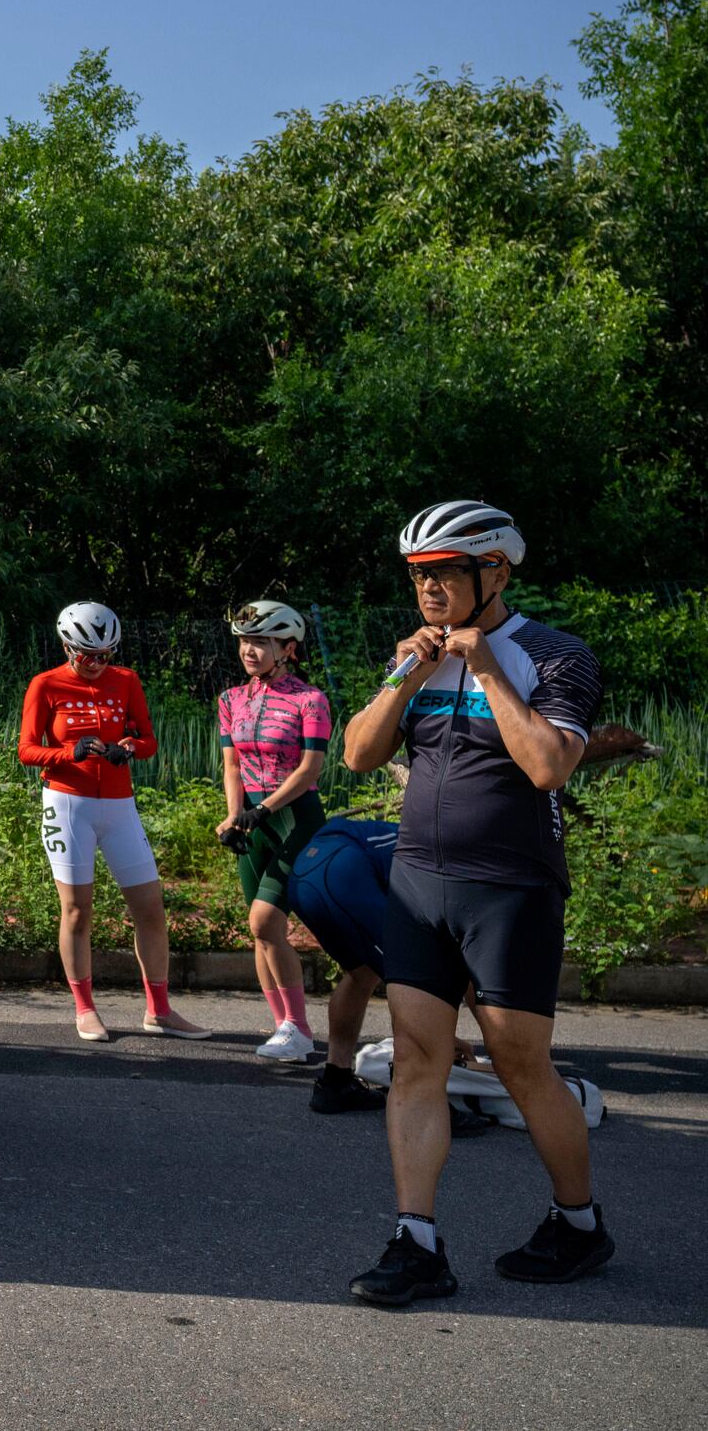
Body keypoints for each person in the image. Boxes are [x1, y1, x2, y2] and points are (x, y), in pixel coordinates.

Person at [338, 499, 610, 1306]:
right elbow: (357, 753)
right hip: (420, 883)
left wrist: (485, 665)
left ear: (495, 570)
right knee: (417, 1059)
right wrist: (406, 675)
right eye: (418, 574)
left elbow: (549, 766)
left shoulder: (555, 655)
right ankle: (415, 1241)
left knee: (522, 1065)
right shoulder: (414, 658)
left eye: (444, 572)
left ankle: (580, 1222)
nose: (427, 588)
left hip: (513, 889)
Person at [18, 602, 209, 1043]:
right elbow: (27, 750)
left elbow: (149, 740)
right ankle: (84, 1008)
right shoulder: (45, 685)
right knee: (77, 910)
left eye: (107, 654)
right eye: (89, 655)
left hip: (120, 805)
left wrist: (130, 747)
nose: (99, 663)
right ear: (68, 647)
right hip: (68, 805)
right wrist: (70, 753)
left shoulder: (126, 681)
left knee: (150, 908)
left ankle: (159, 1011)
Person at [287, 818, 498, 1134]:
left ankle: (335, 1083)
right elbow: (465, 969)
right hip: (342, 870)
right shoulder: (457, 863)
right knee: (420, 981)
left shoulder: (435, 837)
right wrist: (497, 1050)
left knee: (363, 974)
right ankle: (427, 1102)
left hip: (304, 875)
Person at [213, 600, 332, 1062]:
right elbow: (231, 764)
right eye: (245, 641)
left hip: (294, 817)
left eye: (260, 642)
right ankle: (284, 1025)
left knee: (265, 921)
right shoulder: (229, 700)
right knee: (261, 932)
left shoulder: (310, 700)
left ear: (288, 648)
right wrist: (234, 814)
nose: (249, 650)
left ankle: (298, 1030)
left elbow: (308, 770)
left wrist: (263, 808)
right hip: (252, 821)